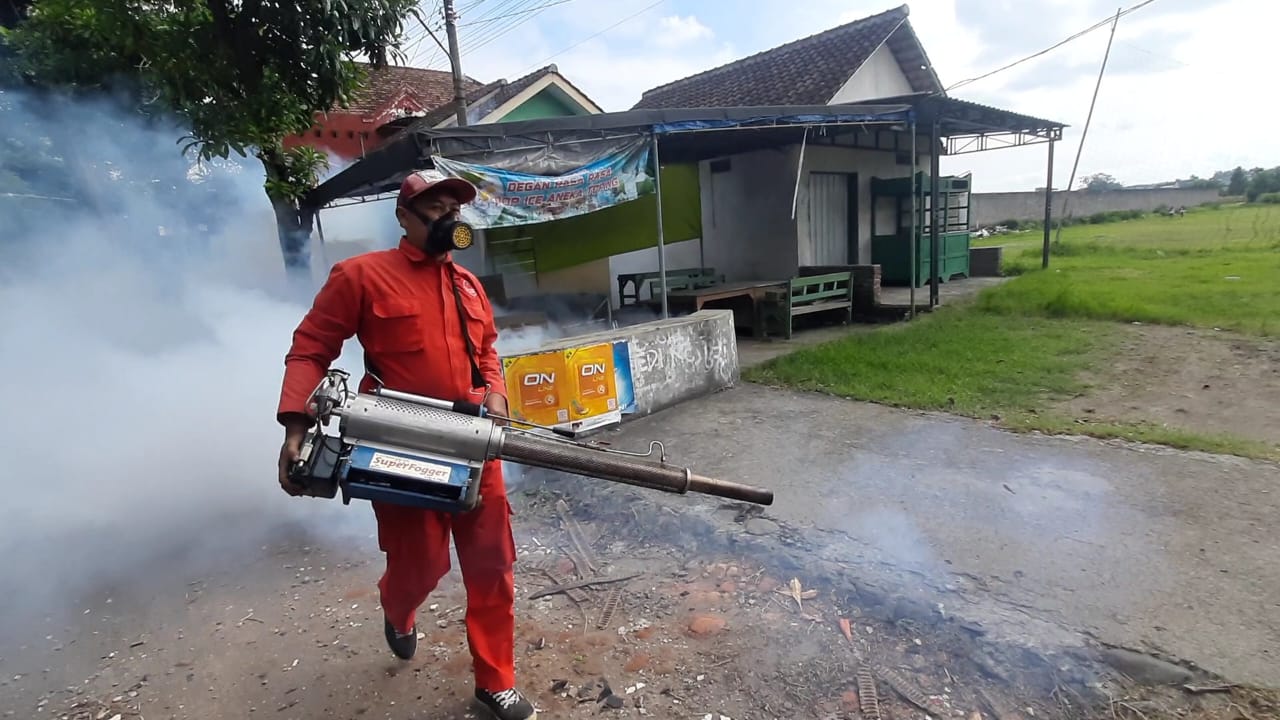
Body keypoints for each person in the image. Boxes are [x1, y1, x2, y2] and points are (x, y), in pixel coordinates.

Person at [274, 171, 537, 720]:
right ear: (403, 217)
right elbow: (310, 348)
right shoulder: (362, 276)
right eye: (435, 208)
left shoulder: (468, 284)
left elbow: (487, 351)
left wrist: (495, 396)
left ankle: (495, 681)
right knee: (423, 564)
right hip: (400, 443)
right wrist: (295, 428)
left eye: (453, 208)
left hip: (472, 441)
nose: (449, 217)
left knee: (493, 564)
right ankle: (398, 607)